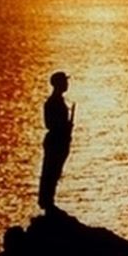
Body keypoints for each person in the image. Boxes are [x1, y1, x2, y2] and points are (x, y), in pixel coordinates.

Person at [38, 71, 75, 213]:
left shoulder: (57, 101)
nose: (67, 84)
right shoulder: (53, 102)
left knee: (54, 172)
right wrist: (64, 127)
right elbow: (49, 124)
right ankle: (47, 202)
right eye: (64, 82)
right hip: (56, 141)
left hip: (59, 140)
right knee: (50, 172)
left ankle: (49, 201)